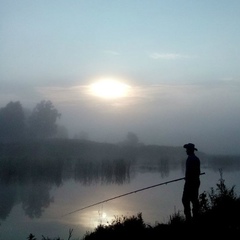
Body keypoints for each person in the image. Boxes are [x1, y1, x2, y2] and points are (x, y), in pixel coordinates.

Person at [182, 143, 201, 222]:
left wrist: (187, 178)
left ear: (190, 150)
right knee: (194, 199)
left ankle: (188, 219)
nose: (186, 151)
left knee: (185, 200)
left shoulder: (190, 159)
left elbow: (189, 172)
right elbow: (198, 172)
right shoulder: (196, 159)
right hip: (196, 182)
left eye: (187, 149)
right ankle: (195, 217)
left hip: (190, 183)